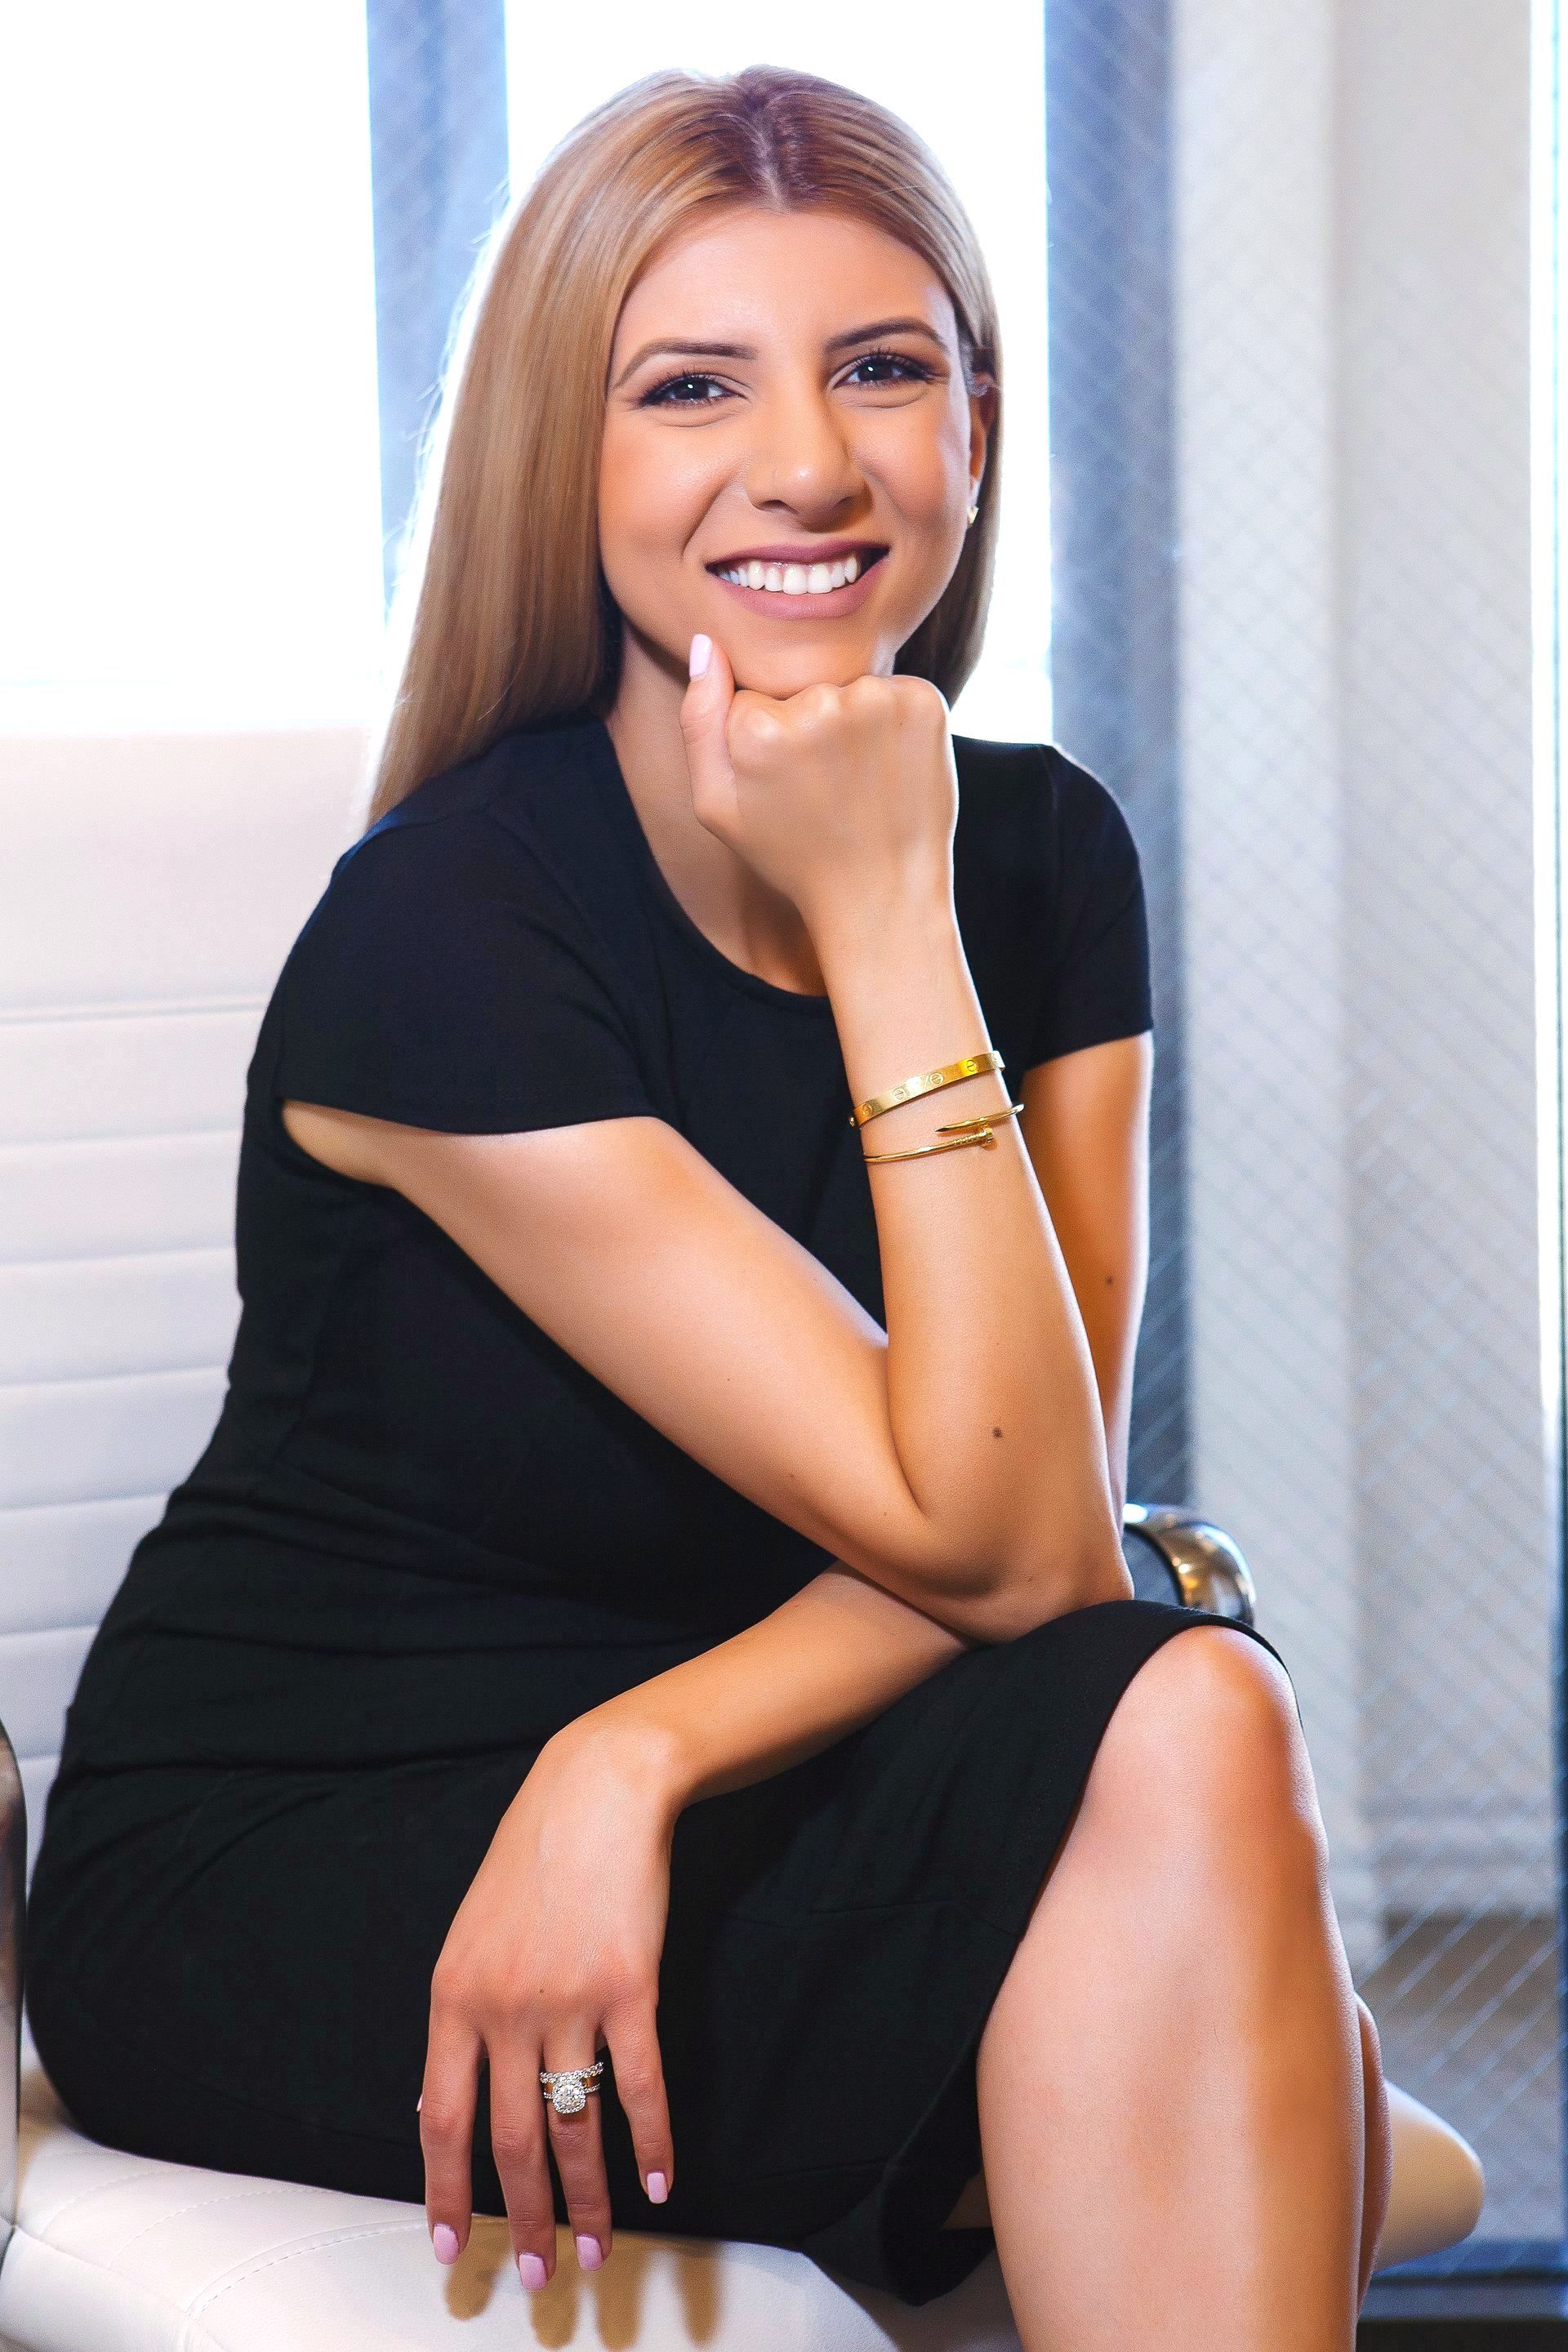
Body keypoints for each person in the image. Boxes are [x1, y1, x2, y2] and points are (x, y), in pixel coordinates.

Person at [24, 62, 1391, 2346]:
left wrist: (635, 1753)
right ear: (570, 462)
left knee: (1183, 1715)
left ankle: (1219, 2089)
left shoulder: (1038, 858)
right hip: (319, 1848)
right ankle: (1257, 2095)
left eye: (887, 367)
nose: (812, 463)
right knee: (1184, 1871)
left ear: (975, 421)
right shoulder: (448, 932)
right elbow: (1006, 1535)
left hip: (712, 1786)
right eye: (691, 387)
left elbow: (1030, 1533)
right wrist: (879, 907)